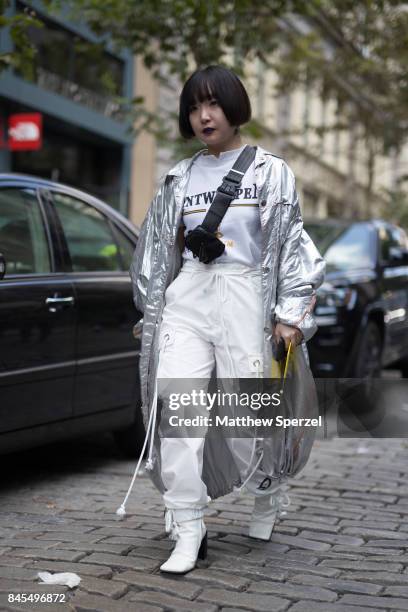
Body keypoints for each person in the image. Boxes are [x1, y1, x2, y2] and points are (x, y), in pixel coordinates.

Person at [117, 65, 325, 575]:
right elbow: (154, 251)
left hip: (246, 298)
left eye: (213, 104)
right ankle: (188, 525)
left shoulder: (270, 172)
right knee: (179, 414)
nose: (203, 115)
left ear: (236, 108)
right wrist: (153, 311)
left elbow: (294, 246)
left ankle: (268, 491)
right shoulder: (178, 177)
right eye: (193, 106)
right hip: (188, 296)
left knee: (249, 416)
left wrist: (290, 314)